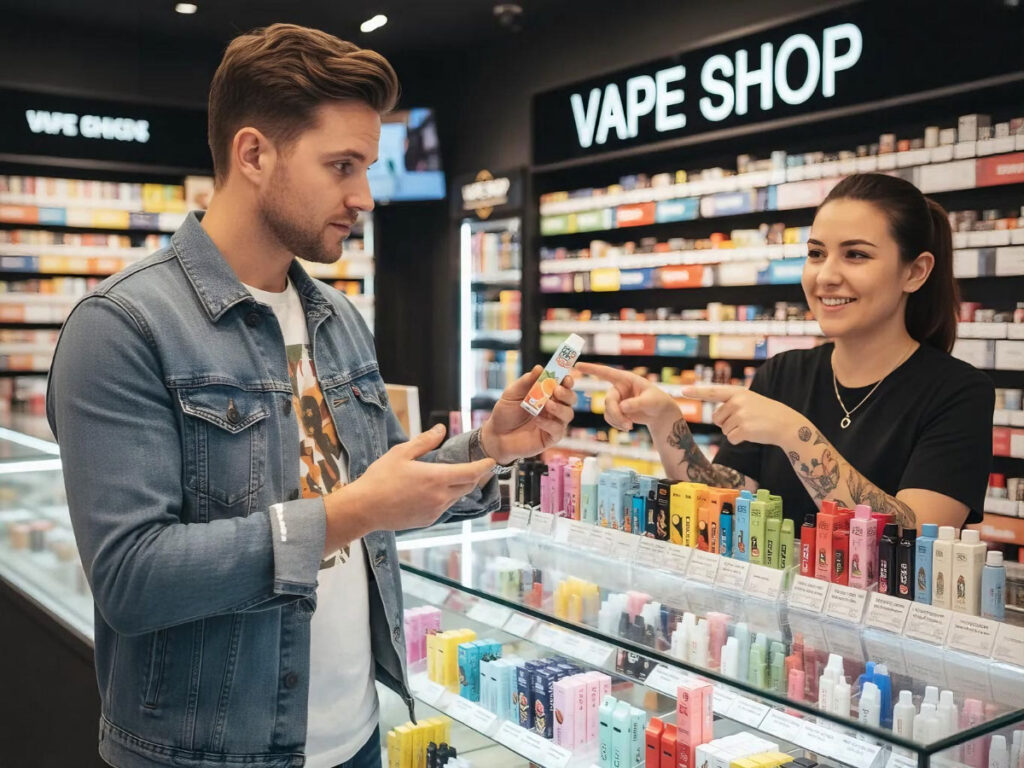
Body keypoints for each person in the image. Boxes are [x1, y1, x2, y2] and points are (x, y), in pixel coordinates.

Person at [46, 23, 576, 768]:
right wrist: (353, 511)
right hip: (210, 754)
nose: (365, 196)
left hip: (357, 736)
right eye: (342, 166)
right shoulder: (122, 326)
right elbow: (133, 579)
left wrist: (490, 446)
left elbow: (386, 485)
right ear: (253, 154)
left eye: (368, 168)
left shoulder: (336, 316)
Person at [579, 173, 994, 531]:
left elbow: (918, 534)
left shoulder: (957, 392)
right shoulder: (783, 373)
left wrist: (796, 435)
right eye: (816, 253)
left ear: (915, 272)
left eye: (856, 255)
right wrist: (665, 421)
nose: (826, 275)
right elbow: (727, 503)